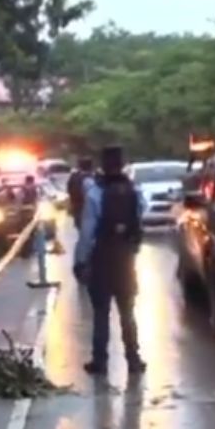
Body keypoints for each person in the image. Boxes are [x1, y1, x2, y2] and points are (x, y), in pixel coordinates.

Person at [74, 145, 147, 376]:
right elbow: (139, 219)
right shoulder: (134, 191)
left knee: (101, 314)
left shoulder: (95, 193)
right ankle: (133, 360)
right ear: (122, 164)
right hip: (125, 260)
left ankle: (100, 362)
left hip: (102, 260)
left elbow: (87, 233)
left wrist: (80, 261)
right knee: (127, 313)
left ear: (103, 166)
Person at [67, 156, 94, 230]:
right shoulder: (93, 177)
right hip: (88, 209)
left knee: (81, 227)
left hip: (77, 207)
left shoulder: (74, 177)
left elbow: (69, 190)